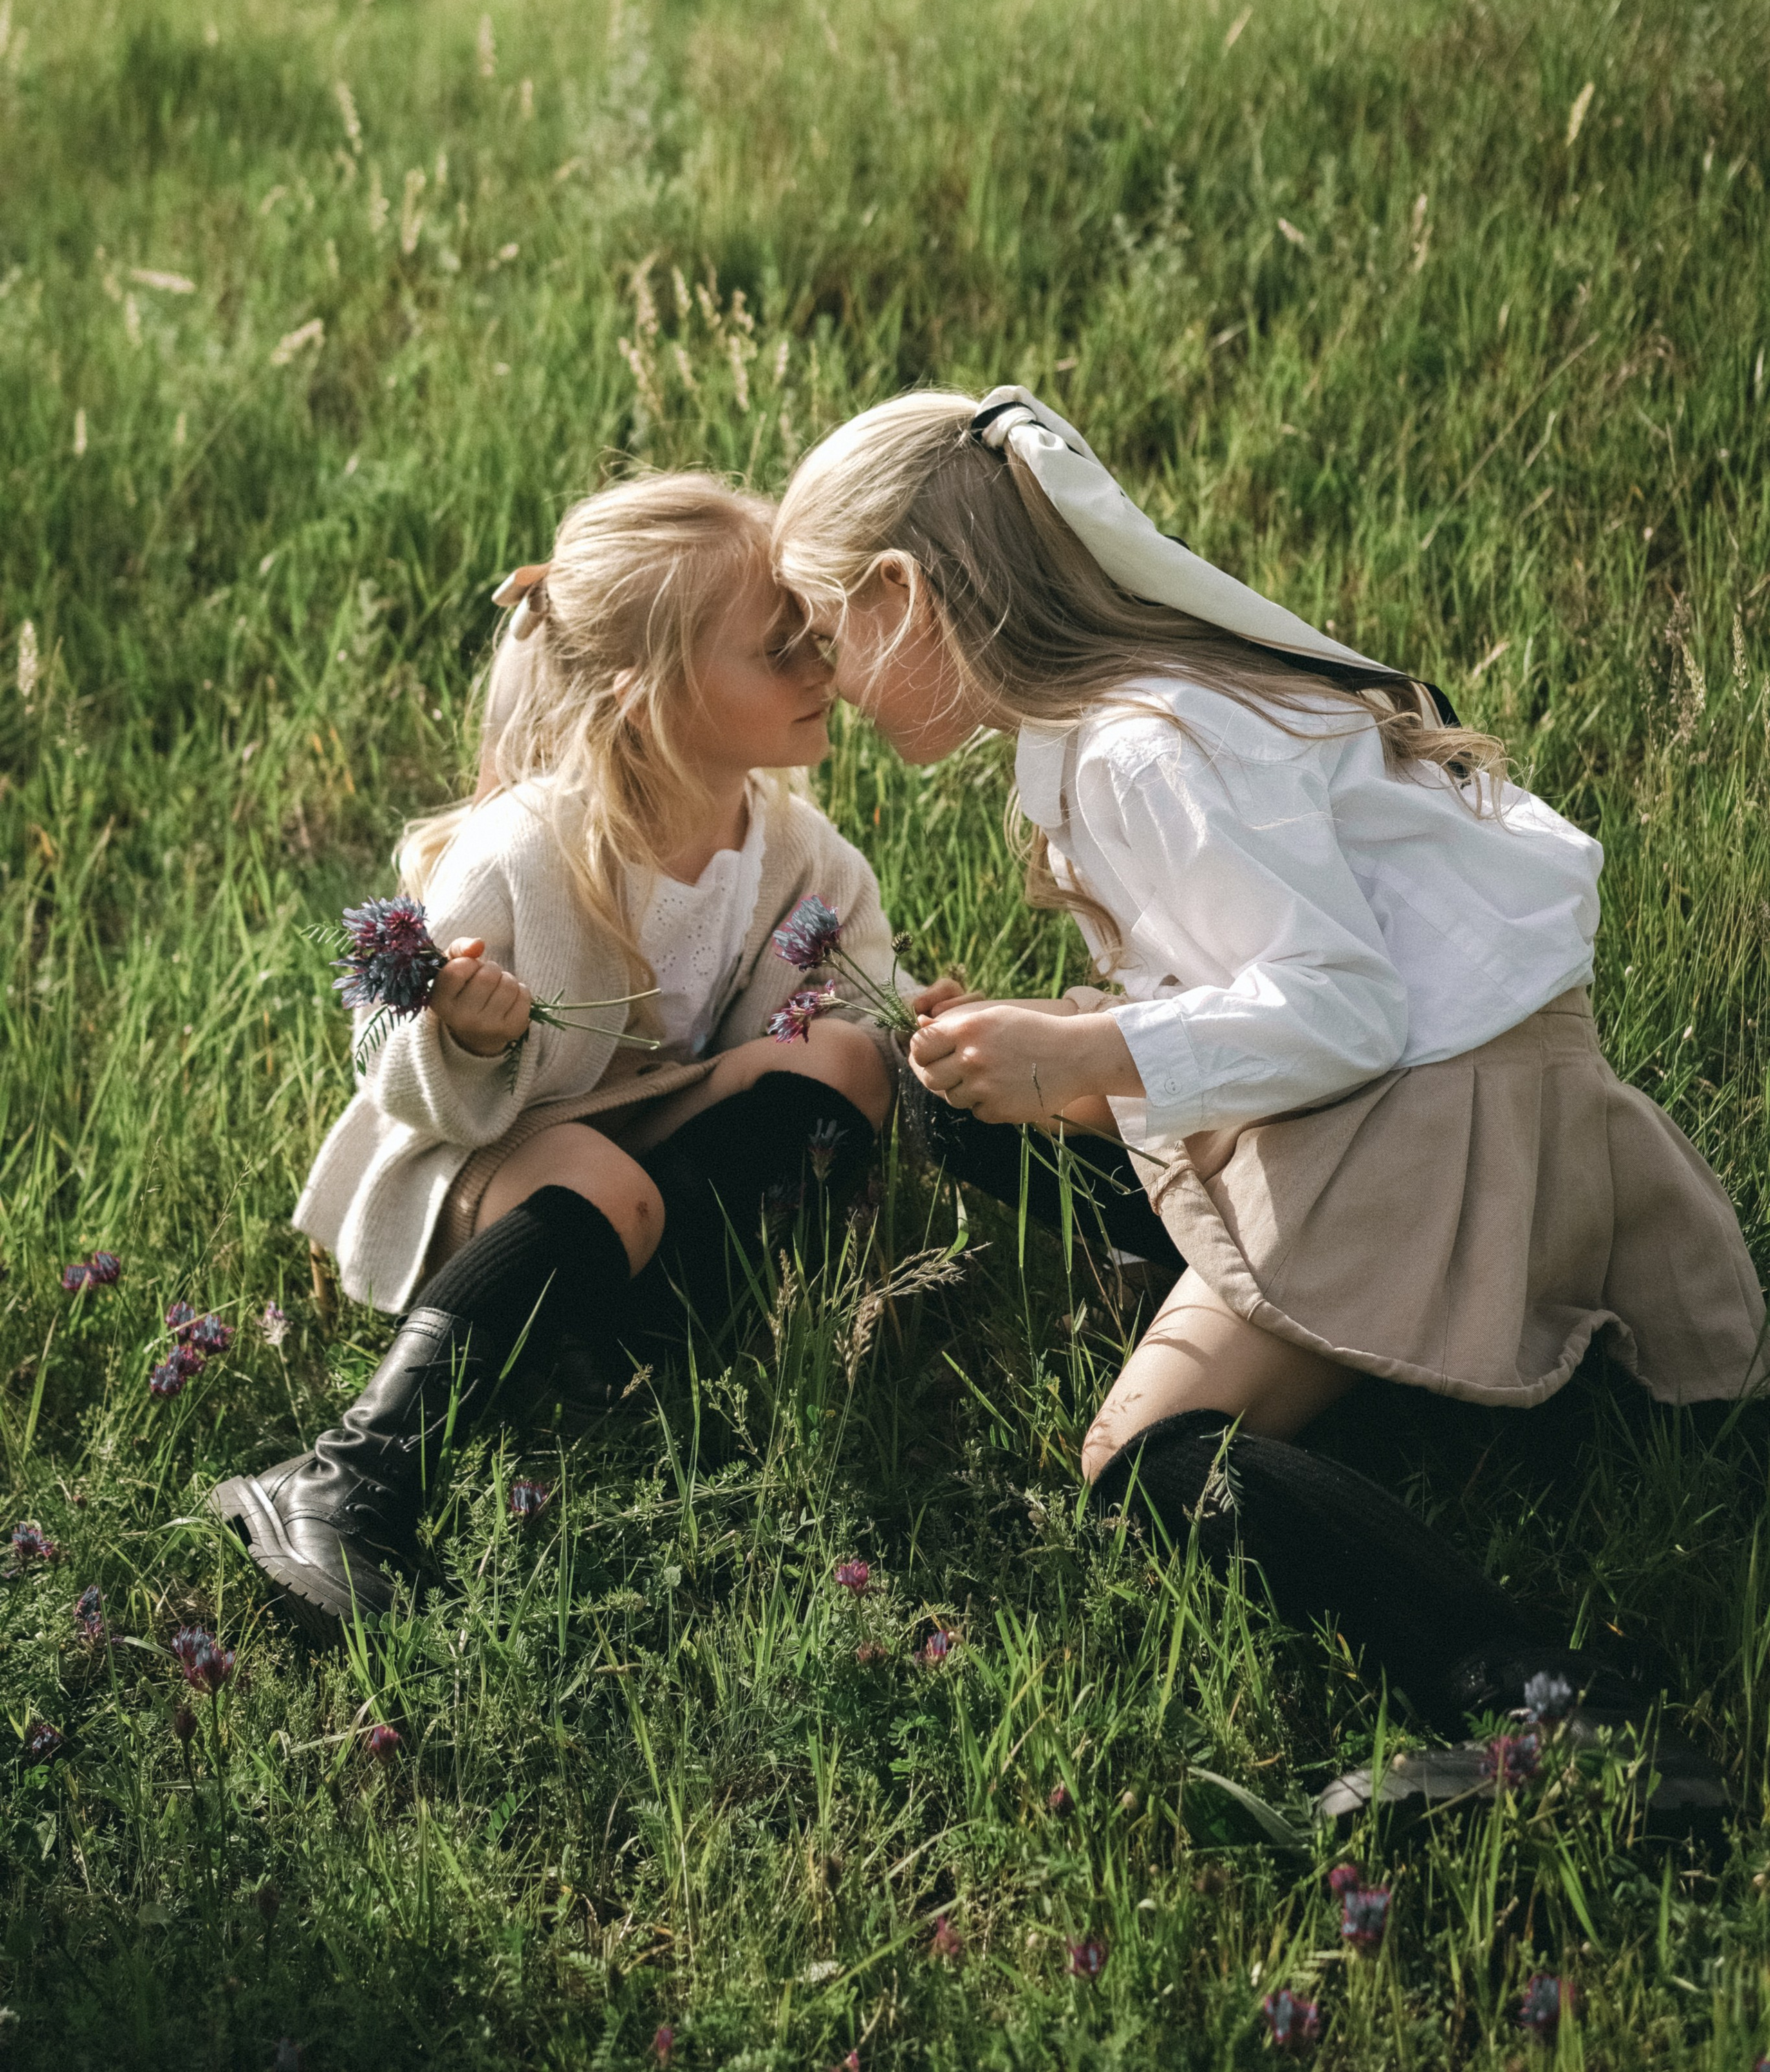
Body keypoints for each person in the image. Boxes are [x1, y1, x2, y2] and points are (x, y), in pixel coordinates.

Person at [772, 384, 1765, 1791]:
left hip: (1434, 1127)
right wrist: (1060, 1041)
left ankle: (1551, 1702)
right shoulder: (1136, 704)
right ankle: (1340, 1356)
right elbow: (1288, 982)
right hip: (1441, 1085)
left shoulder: (1141, 752)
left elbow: (1344, 1009)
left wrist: (1083, 1054)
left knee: (1142, 1465)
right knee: (966, 1106)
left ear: (902, 595)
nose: (828, 683)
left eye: (826, 636)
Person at [210, 474, 895, 1638]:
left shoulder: (796, 849)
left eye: (810, 637)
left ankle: (625, 1353)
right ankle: (346, 1477)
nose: (819, 669)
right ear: (648, 697)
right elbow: (385, 1048)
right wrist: (463, 1033)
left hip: (644, 1129)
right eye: (778, 649)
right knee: (606, 1185)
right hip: (489, 1155)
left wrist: (916, 1020)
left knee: (848, 1061)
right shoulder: (525, 849)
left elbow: (839, 988)